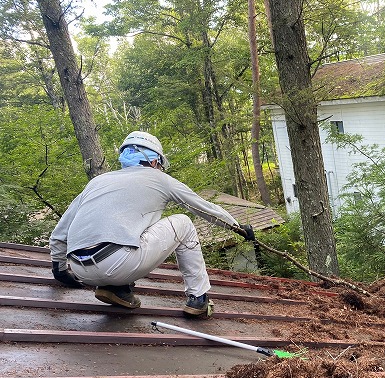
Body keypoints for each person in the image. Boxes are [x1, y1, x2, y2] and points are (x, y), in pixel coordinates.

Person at [49, 131, 254, 318]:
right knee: (183, 223)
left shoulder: (97, 182)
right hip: (119, 264)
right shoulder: (161, 179)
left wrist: (60, 270)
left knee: (134, 229)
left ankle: (118, 289)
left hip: (80, 269)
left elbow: (59, 234)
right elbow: (201, 207)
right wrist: (237, 227)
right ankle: (198, 298)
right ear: (155, 160)